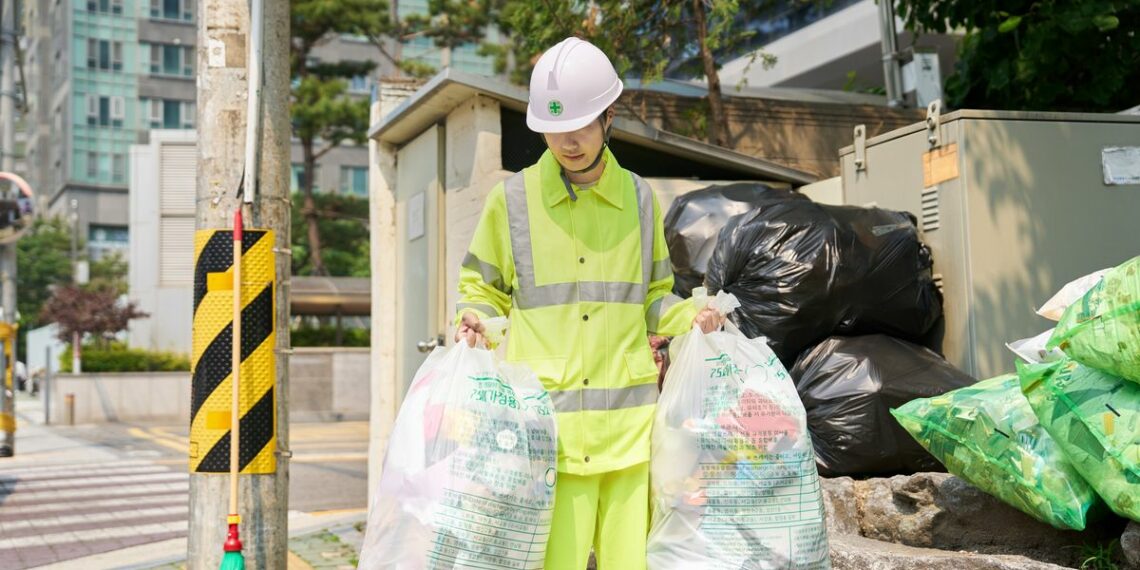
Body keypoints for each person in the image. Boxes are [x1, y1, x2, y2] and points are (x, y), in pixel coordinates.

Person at [454, 37, 722, 570]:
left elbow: (652, 298)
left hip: (629, 434)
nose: (566, 141)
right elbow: (481, 290)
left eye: (578, 125)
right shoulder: (511, 201)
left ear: (608, 118)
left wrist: (694, 317)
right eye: (553, 129)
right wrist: (476, 321)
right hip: (548, 434)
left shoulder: (640, 199)